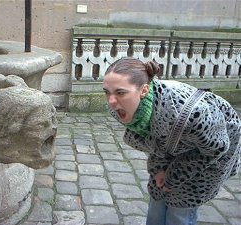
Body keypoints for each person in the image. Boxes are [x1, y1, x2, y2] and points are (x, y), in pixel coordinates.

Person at [103, 57, 241, 225]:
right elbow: (157, 140)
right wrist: (160, 169)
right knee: (158, 198)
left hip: (214, 151)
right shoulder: (122, 108)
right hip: (177, 144)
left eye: (120, 92)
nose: (111, 101)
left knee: (180, 208)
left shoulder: (190, 115)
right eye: (107, 92)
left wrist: (173, 176)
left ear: (144, 90)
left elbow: (217, 148)